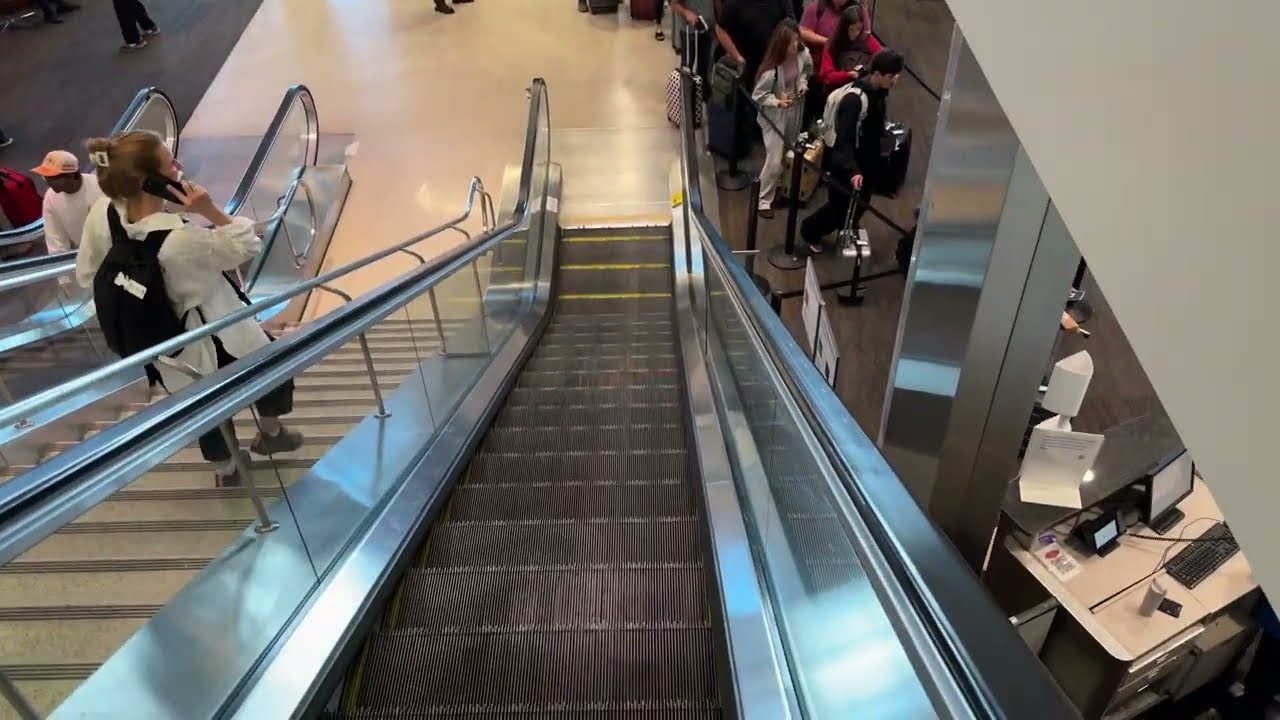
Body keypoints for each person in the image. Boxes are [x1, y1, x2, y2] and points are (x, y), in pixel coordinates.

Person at [75, 130, 303, 486]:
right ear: (151, 181)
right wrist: (207, 209)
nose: (179, 166)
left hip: (164, 344)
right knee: (271, 368)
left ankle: (226, 470)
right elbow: (246, 245)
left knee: (203, 407)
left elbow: (87, 273)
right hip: (219, 331)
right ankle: (272, 433)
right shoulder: (180, 239)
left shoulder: (103, 215)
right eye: (170, 163)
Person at [799, 48, 903, 254]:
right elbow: (843, 140)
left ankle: (847, 225)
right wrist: (852, 170)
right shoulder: (854, 101)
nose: (895, 81)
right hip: (849, 163)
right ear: (877, 74)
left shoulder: (879, 91)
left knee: (861, 202)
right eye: (891, 76)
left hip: (867, 159)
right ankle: (809, 231)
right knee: (838, 207)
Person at [751, 21, 809, 218]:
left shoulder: (801, 55)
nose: (796, 45)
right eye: (792, 42)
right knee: (774, 160)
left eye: (797, 40)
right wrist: (777, 101)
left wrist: (802, 84)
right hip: (775, 116)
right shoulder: (771, 70)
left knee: (788, 152)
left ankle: (778, 189)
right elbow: (758, 95)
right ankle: (762, 200)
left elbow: (805, 71)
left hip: (794, 109)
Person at [32, 151, 104, 268]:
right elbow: (55, 238)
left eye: (52, 178)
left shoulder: (100, 186)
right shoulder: (51, 198)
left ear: (72, 176)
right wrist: (63, 271)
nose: (48, 182)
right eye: (45, 177)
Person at [716, 0, 794, 83]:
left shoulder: (783, 2)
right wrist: (738, 57)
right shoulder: (735, 2)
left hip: (773, 65)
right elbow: (720, 29)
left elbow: (792, 26)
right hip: (745, 67)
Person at [817, 5, 882, 90]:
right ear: (844, 28)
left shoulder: (867, 39)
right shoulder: (832, 44)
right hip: (840, 89)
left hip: (865, 87)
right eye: (851, 29)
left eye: (858, 29)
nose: (855, 33)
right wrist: (847, 75)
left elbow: (882, 58)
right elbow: (827, 76)